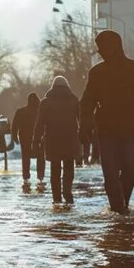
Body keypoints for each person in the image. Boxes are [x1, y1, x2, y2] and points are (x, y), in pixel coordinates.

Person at [80, 30, 134, 214]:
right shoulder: (97, 72)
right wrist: (84, 127)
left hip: (130, 129)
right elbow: (87, 102)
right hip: (106, 131)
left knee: (130, 168)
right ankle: (117, 208)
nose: (101, 52)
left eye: (102, 48)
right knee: (110, 172)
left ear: (113, 46)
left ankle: (123, 204)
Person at [32, 75, 82, 204]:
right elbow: (81, 120)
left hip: (52, 140)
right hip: (70, 139)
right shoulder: (74, 100)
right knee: (69, 167)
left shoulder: (46, 102)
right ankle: (67, 192)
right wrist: (84, 138)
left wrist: (35, 141)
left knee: (55, 169)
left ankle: (56, 197)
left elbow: (39, 124)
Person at [11, 93, 45, 188]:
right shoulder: (41, 112)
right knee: (41, 158)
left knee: (25, 158)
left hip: (24, 139)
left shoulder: (20, 112)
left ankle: (26, 177)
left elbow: (14, 126)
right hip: (39, 139)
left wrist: (15, 138)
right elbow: (46, 125)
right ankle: (40, 177)